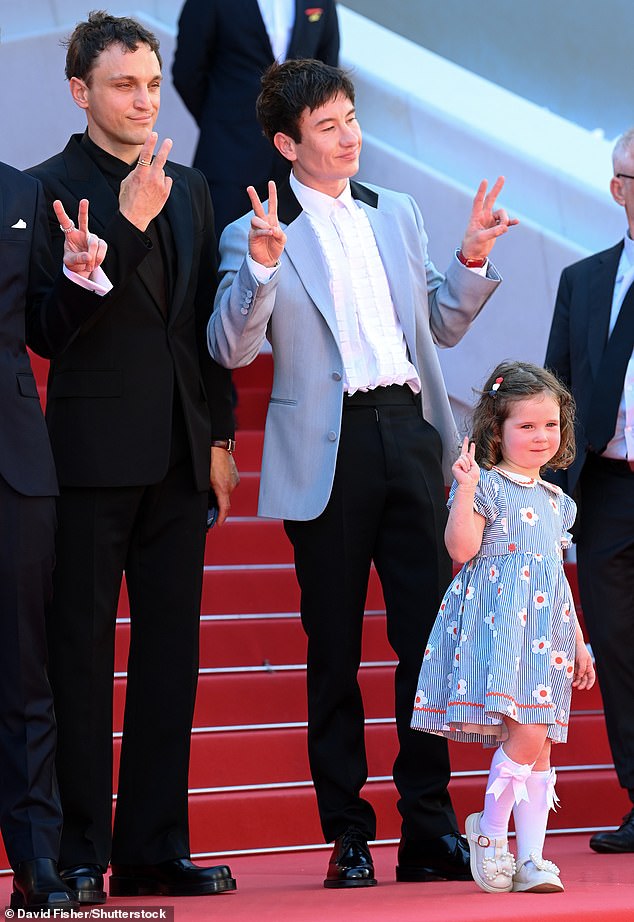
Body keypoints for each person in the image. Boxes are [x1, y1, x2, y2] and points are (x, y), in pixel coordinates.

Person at [208, 58, 517, 888]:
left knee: (426, 642)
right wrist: (265, 268)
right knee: (333, 647)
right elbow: (230, 346)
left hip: (412, 435)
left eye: (351, 119)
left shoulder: (398, 212)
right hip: (327, 446)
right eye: (328, 127)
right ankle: (347, 832)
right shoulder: (254, 230)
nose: (349, 138)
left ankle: (429, 828)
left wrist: (471, 260)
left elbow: (439, 328)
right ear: (286, 142)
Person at [27, 11, 238, 903]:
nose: (145, 100)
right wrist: (124, 227)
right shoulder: (43, 189)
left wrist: (220, 435)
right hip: (85, 459)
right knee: (79, 660)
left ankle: (155, 846)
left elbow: (198, 333)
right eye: (124, 84)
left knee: (169, 661)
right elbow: (45, 330)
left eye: (153, 84)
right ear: (81, 92)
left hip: (180, 459)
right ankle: (82, 853)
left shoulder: (190, 186)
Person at [411, 361, 595, 894]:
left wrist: (580, 642)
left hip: (549, 631)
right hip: (501, 628)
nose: (541, 437)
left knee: (541, 744)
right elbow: (461, 549)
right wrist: (465, 488)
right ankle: (490, 833)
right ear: (497, 429)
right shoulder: (486, 486)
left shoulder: (559, 503)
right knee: (528, 731)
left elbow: (556, 577)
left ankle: (532, 858)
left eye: (551, 426)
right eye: (526, 426)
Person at [0, 163, 110, 910]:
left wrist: (76, 279)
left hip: (13, 461)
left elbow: (41, 325)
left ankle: (37, 865)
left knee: (22, 671)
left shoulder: (18, 192)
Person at [545, 126, 634, 855]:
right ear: (618, 189)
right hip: (607, 488)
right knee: (619, 646)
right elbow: (557, 393)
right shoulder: (583, 280)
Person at [172, 0, 339, 238]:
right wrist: (221, 123)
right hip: (228, 158)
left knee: (291, 262)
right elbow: (187, 72)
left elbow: (326, 73)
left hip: (296, 165)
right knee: (212, 257)